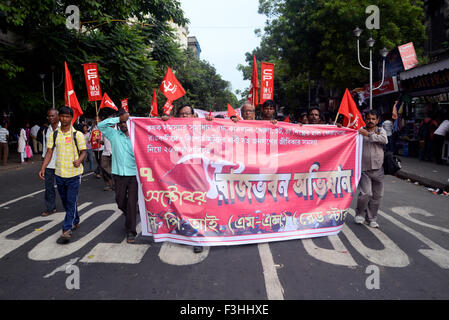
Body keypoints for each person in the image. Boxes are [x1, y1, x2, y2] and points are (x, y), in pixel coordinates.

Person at [38, 106, 87, 244]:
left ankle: (66, 230)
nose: (65, 119)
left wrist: (79, 160)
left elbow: (84, 151)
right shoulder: (54, 134)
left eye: (67, 116)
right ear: (60, 117)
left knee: (71, 201)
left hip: (74, 175)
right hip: (59, 174)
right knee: (66, 202)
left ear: (71, 118)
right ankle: (75, 219)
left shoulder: (77, 134)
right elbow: (49, 152)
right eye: (63, 116)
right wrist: (43, 167)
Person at [97, 108, 138, 244]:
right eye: (122, 123)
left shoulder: (137, 136)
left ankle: (131, 231)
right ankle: (129, 215)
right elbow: (100, 125)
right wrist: (119, 118)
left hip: (134, 175)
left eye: (126, 122)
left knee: (132, 203)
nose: (124, 125)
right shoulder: (114, 135)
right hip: (118, 175)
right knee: (120, 202)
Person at [354, 110, 388, 228]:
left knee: (377, 196)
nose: (371, 121)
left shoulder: (380, 131)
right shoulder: (359, 130)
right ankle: (359, 214)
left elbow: (384, 140)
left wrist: (368, 134)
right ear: (365, 119)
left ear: (377, 120)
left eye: (373, 119)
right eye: (368, 118)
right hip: (364, 169)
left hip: (378, 168)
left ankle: (372, 218)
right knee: (366, 193)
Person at [41, 108, 60, 217]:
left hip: (61, 163)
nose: (51, 118)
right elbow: (45, 148)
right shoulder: (46, 130)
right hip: (49, 164)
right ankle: (50, 207)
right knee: (49, 187)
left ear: (57, 116)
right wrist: (43, 165)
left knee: (63, 187)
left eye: (53, 116)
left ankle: (70, 205)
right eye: (49, 116)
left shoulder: (65, 128)